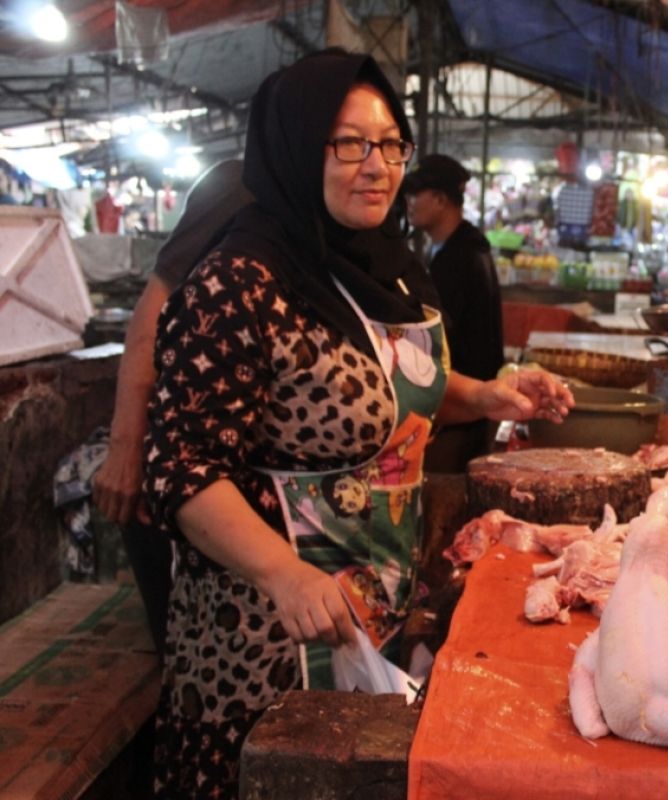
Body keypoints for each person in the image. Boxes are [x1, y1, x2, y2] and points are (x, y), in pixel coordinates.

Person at [141, 49, 572, 797]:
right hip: (264, 632)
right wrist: (281, 572)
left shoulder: (391, 267)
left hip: (374, 602)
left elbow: (398, 387)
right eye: (348, 142)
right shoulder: (239, 283)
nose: (376, 165)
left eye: (390, 144)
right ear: (298, 145)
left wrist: (491, 395)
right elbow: (182, 468)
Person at [91, 159, 251, 656]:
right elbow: (154, 306)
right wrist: (126, 446)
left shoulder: (328, 202)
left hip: (253, 484)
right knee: (185, 650)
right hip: (183, 466)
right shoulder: (238, 184)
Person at [402, 153, 505, 471]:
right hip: (471, 404)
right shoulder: (462, 245)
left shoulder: (459, 258)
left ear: (440, 199)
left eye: (415, 194)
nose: (408, 202)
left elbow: (444, 338)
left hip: (464, 411)